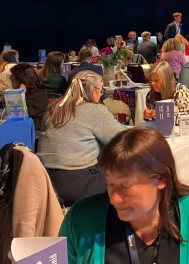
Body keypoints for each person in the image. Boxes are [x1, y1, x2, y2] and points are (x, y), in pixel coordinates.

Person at [59, 127, 189, 264]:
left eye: (126, 186)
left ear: (161, 180)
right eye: (110, 184)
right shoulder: (80, 220)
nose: (114, 199)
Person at [37, 71, 126, 205]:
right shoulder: (94, 111)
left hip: (46, 182)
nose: (101, 94)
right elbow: (123, 139)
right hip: (78, 183)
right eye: (101, 90)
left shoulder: (53, 108)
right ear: (94, 91)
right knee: (125, 173)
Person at [9, 63, 49, 131]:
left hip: (34, 130)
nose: (11, 78)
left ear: (21, 78)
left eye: (13, 76)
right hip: (24, 127)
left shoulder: (39, 94)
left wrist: (20, 94)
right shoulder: (34, 92)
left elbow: (19, 113)